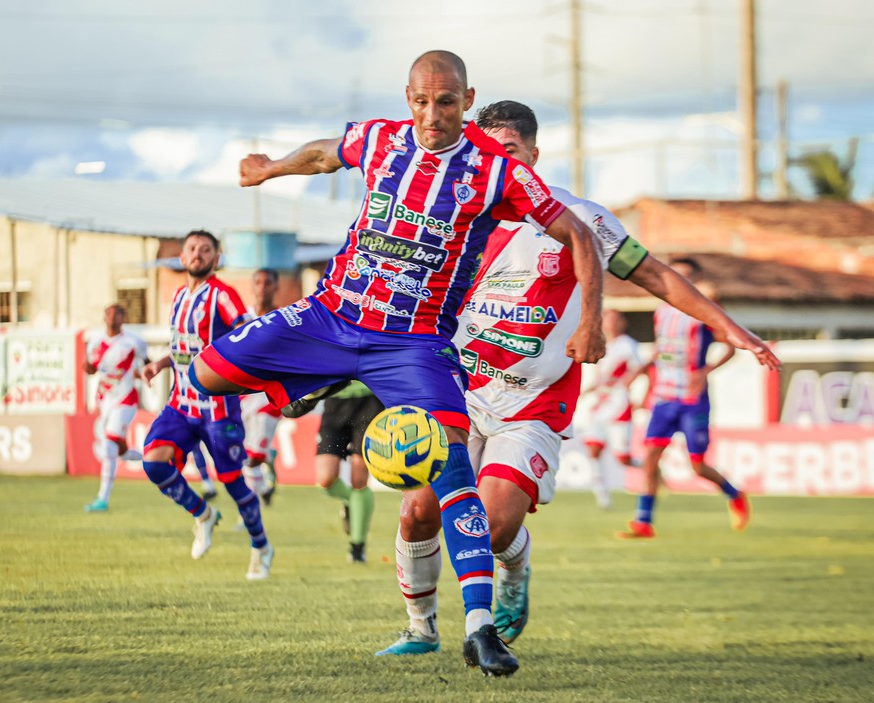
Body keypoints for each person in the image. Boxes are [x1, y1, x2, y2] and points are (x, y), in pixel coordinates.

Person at [186, 50, 610, 677]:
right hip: (334, 315)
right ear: (406, 98)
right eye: (421, 100)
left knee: (451, 476)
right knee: (204, 374)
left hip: (415, 343)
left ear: (468, 101)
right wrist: (269, 169)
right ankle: (327, 376)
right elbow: (327, 151)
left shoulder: (498, 173)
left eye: (446, 101)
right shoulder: (383, 141)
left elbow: (578, 235)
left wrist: (594, 323)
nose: (432, 114)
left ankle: (478, 627)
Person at [376, 100, 780, 649]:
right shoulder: (449, 218)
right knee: (418, 511)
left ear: (534, 157)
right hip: (457, 392)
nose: (500, 162)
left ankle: (515, 571)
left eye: (511, 151)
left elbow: (655, 274)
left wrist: (728, 328)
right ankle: (421, 630)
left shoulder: (580, 219)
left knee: (492, 530)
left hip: (535, 402)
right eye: (489, 151)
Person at [139, 229, 274, 580]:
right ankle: (203, 514)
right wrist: (160, 363)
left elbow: (247, 334)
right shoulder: (179, 296)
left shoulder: (223, 296)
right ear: (182, 258)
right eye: (192, 249)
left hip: (218, 408)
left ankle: (260, 546)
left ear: (216, 258)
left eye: (205, 250)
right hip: (181, 405)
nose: (198, 254)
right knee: (153, 462)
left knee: (232, 481)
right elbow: (184, 345)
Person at [621, 261, 749, 539]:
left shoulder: (704, 311)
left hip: (692, 399)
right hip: (664, 397)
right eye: (676, 274)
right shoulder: (661, 311)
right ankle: (644, 521)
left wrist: (706, 371)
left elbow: (730, 347)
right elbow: (661, 350)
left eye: (687, 276)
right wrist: (642, 374)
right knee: (650, 457)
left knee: (698, 466)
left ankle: (734, 493)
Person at [82, 304, 148, 512]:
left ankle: (102, 499)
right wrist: (89, 368)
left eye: (117, 314)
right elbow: (92, 368)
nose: (112, 318)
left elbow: (147, 364)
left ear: (123, 317)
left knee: (109, 445)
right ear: (104, 317)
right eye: (109, 313)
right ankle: (145, 455)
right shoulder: (95, 342)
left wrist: (144, 372)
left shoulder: (133, 342)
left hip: (126, 399)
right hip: (105, 399)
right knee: (118, 448)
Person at [575, 309, 642, 509]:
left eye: (614, 319)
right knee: (593, 449)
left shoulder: (627, 344)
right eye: (607, 319)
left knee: (623, 458)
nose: (610, 324)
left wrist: (629, 386)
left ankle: (650, 469)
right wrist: (588, 391)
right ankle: (602, 497)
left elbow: (638, 367)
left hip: (619, 404)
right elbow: (599, 375)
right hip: (599, 404)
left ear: (622, 322)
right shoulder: (601, 344)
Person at [315, 381, 384, 564]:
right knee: (325, 478)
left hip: (369, 400)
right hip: (334, 400)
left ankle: (357, 547)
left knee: (359, 479)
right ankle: (351, 501)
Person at [240, 267, 284, 505]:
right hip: (243, 396)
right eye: (258, 282)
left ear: (276, 287)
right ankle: (269, 459)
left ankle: (249, 512)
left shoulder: (284, 319)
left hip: (269, 399)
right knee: (249, 452)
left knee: (253, 457)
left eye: (268, 283)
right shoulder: (241, 319)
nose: (262, 288)